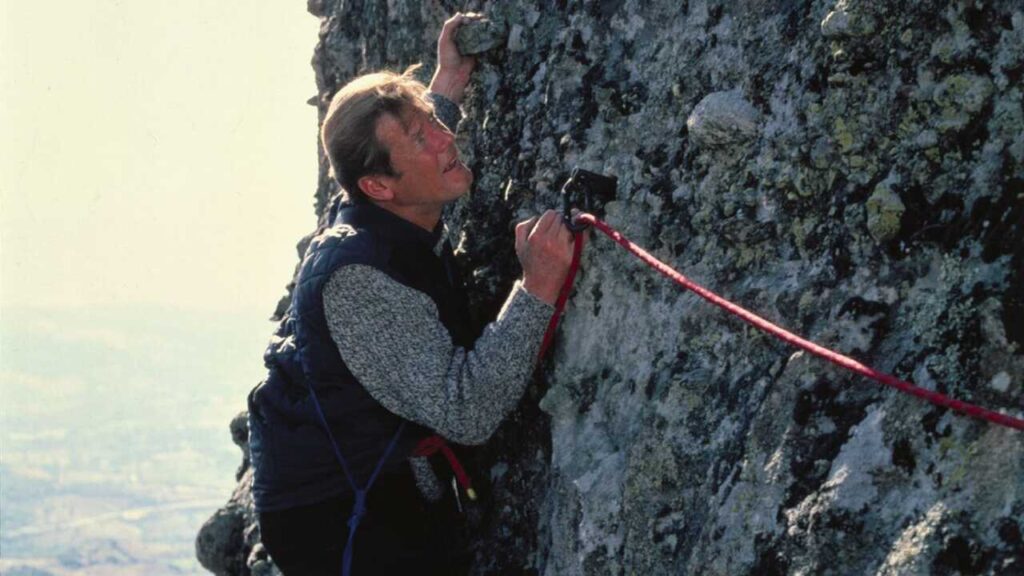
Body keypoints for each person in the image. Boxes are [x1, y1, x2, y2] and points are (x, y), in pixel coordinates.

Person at [246, 13, 576, 575]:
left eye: (431, 123)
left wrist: (443, 85)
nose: (447, 140)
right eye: (423, 137)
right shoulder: (357, 282)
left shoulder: (374, 206)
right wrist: (537, 288)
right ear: (378, 187)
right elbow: (466, 410)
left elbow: (404, 158)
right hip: (337, 520)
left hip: (366, 482)